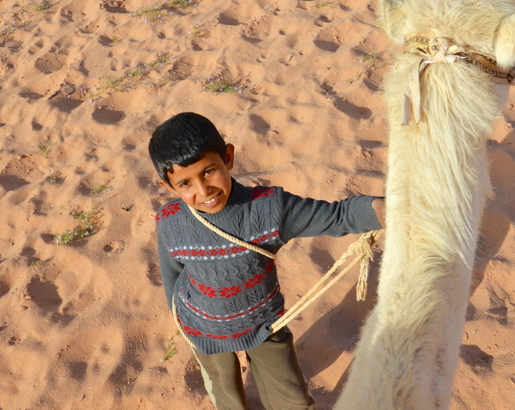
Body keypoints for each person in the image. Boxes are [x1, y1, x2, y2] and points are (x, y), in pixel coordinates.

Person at [148, 112, 384, 410]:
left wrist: (380, 209)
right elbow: (172, 273)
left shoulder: (270, 209)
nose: (203, 190)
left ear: (229, 157)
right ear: (168, 186)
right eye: (185, 184)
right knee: (227, 399)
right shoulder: (169, 221)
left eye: (209, 171)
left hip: (263, 325)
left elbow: (337, 216)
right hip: (201, 327)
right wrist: (181, 322)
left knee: (293, 401)